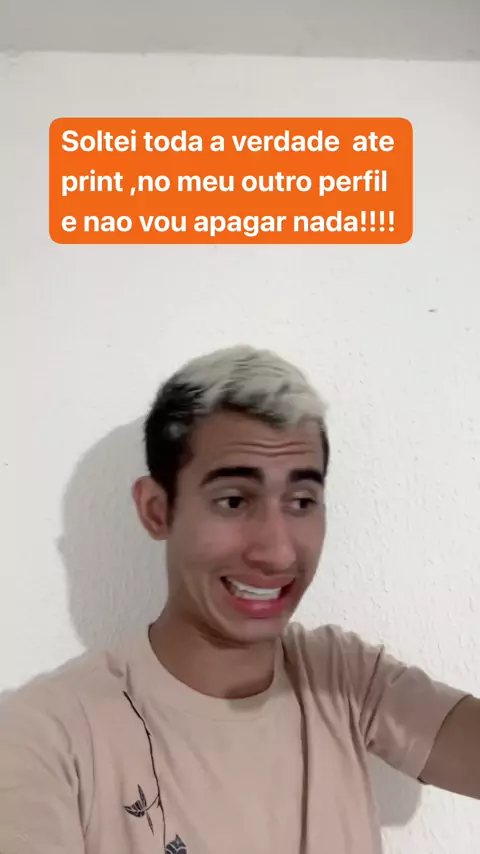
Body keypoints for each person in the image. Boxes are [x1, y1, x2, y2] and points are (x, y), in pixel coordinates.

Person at [0, 345, 478, 854]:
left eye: (301, 501)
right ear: (157, 510)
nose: (277, 552)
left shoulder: (344, 677)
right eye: (233, 500)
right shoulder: (44, 738)